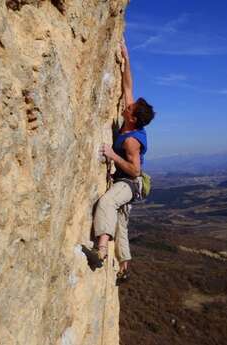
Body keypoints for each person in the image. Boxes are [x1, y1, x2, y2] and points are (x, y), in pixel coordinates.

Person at [86, 39, 155, 279]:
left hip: (130, 182)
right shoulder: (130, 118)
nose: (128, 104)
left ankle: (101, 250)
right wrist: (126, 58)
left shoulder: (131, 141)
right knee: (121, 223)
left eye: (131, 107)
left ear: (133, 118)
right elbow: (128, 86)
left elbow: (135, 171)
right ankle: (124, 264)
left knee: (107, 204)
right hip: (124, 180)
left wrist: (113, 155)